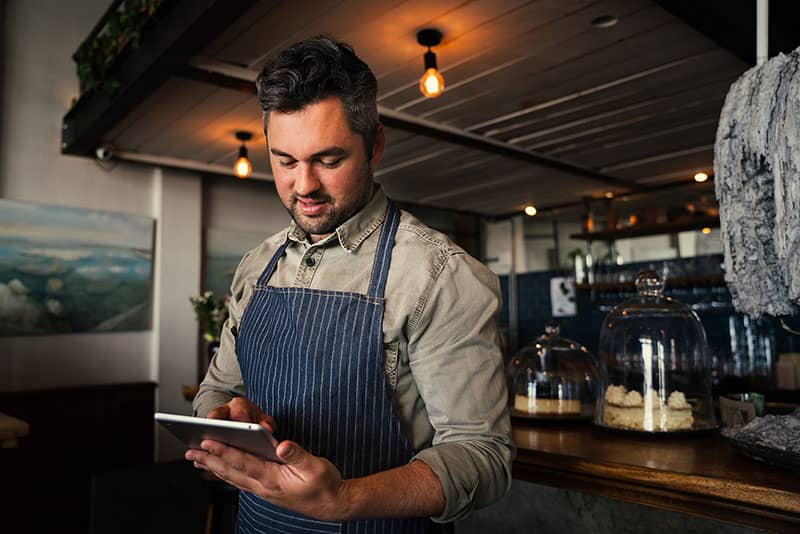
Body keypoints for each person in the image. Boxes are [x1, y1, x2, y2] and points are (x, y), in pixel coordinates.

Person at [190, 35, 514, 533]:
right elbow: (217, 386)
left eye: (329, 159)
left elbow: (483, 455)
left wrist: (343, 499)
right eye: (285, 161)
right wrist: (223, 418)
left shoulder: (439, 274)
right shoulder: (257, 266)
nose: (304, 186)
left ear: (375, 145)